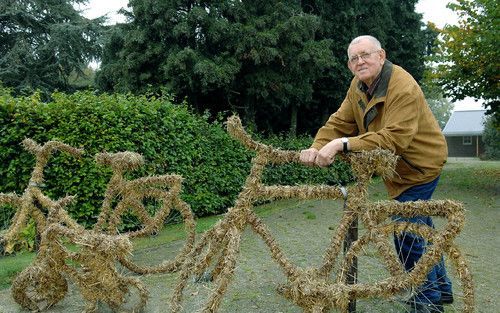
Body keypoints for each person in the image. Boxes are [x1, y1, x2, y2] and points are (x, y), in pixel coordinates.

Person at [299, 35, 452, 313]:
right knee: (422, 229)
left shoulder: (402, 86)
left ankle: (427, 301)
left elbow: (395, 139)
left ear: (381, 55)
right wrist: (317, 145)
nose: (360, 62)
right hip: (398, 168)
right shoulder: (358, 86)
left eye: (366, 55)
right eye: (354, 58)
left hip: (420, 166)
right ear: (349, 65)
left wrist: (342, 144)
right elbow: (340, 121)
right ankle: (441, 289)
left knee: (407, 232)